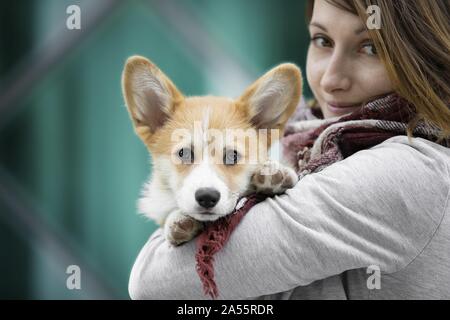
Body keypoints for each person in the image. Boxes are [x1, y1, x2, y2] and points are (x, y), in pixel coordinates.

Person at [128, 0, 450, 299]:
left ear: (422, 54)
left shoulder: (405, 172)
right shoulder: (310, 144)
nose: (330, 79)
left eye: (369, 48)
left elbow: (156, 280)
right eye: (322, 41)